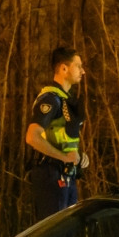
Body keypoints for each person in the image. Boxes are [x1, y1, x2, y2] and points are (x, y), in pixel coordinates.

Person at [25, 47, 87, 221]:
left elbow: (62, 138)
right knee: (55, 234)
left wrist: (79, 156)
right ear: (64, 68)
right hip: (51, 175)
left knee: (67, 233)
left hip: (66, 176)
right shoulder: (51, 99)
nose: (83, 71)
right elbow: (32, 136)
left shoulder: (66, 99)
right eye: (78, 66)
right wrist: (64, 157)